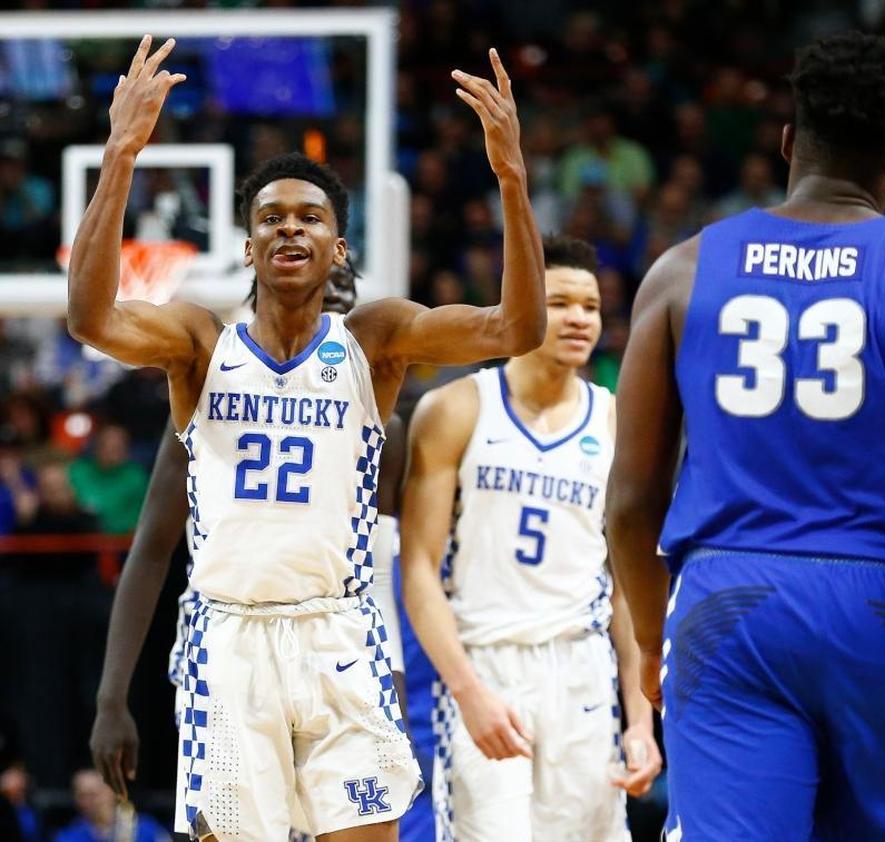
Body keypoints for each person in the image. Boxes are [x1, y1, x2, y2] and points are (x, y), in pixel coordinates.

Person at [67, 35, 545, 841]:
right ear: (249, 248)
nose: (291, 229)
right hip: (228, 638)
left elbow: (516, 327)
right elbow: (92, 318)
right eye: (271, 219)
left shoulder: (376, 339)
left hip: (338, 632)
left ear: (339, 246)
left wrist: (510, 176)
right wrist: (121, 155)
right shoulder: (199, 343)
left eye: (311, 217)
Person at [606, 31, 885, 839]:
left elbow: (631, 498)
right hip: (877, 607)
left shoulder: (683, 271)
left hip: (728, 604)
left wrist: (651, 639)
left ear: (790, 142)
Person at [88, 265, 414, 840]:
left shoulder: (377, 415)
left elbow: (383, 562)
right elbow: (151, 551)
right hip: (229, 638)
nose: (323, 308)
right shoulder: (207, 381)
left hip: (335, 637)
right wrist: (112, 694)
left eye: (340, 298)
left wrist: (391, 670)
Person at [402, 235, 661, 841]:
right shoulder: (456, 409)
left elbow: (627, 589)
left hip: (582, 670)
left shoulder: (618, 421)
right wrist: (467, 692)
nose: (579, 318)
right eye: (561, 302)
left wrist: (640, 722)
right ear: (522, 305)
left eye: (592, 307)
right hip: (486, 663)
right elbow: (418, 569)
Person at [55, 769, 170, 842]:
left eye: (96, 793)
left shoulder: (146, 829)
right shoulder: (67, 837)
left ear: (113, 792)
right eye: (84, 795)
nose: (92, 801)